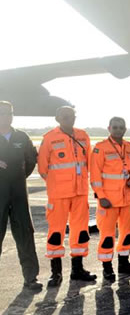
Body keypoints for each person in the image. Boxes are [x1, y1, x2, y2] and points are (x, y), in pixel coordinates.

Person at [36, 106, 96, 286]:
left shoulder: (83, 136)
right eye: (65, 116)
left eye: (71, 116)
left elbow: (90, 162)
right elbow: (43, 168)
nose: (69, 119)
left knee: (80, 232)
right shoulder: (49, 138)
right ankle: (56, 273)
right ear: (57, 118)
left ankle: (77, 270)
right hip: (59, 194)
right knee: (56, 233)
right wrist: (57, 184)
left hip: (80, 193)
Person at [90, 117, 130, 281]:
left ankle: (123, 263)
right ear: (109, 128)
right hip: (108, 201)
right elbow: (95, 175)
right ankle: (107, 267)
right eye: (115, 127)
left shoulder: (128, 147)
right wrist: (101, 196)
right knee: (107, 236)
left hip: (126, 199)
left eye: (121, 127)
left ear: (125, 129)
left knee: (127, 234)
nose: (118, 130)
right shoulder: (100, 148)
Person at [0, 101, 42, 291]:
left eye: (9, 113)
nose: (6, 116)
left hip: (18, 191)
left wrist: (17, 175)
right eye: (2, 113)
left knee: (25, 232)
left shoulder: (21, 137)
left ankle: (30, 278)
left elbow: (31, 159)